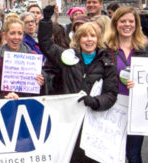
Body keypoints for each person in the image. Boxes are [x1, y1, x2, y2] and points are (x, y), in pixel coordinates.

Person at [39, 5, 118, 162]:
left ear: (98, 39)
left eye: (93, 36)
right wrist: (46, 21)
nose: (89, 40)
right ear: (78, 39)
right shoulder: (68, 58)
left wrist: (95, 102)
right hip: (70, 121)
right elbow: (46, 44)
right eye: (84, 36)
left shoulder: (107, 63)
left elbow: (111, 94)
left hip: (95, 122)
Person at [101, 6, 148, 163]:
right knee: (111, 153)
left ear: (136, 24)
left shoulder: (145, 47)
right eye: (123, 21)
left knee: (134, 154)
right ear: (115, 23)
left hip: (136, 109)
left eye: (131, 21)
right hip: (112, 107)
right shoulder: (105, 47)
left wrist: (142, 83)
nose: (127, 25)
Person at [0, 18, 44, 99]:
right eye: (12, 33)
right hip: (6, 105)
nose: (16, 37)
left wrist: (42, 81)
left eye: (20, 33)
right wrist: (5, 96)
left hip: (29, 103)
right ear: (5, 35)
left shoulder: (33, 56)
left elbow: (39, 91)